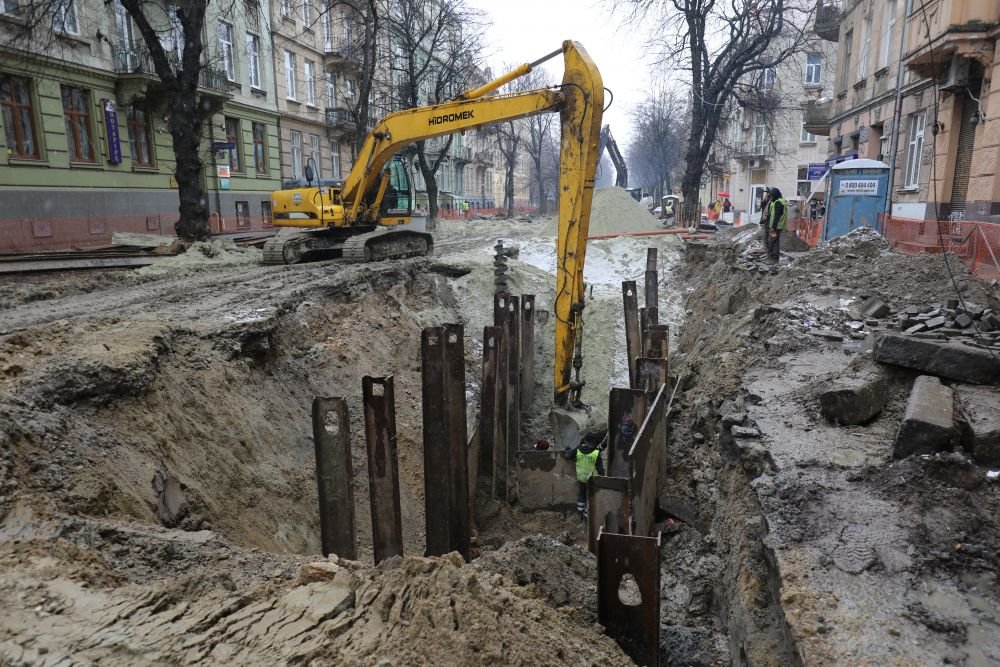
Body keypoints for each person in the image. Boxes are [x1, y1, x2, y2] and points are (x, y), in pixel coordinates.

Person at [563, 431, 606, 518]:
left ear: (585, 441)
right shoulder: (596, 453)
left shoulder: (578, 449)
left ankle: (580, 512)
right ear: (593, 442)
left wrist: (567, 449)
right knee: (591, 496)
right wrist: (603, 480)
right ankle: (587, 515)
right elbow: (600, 469)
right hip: (592, 479)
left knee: (582, 494)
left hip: (581, 478)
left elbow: (568, 455)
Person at [766, 186, 788, 262]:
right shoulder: (781, 201)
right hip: (780, 225)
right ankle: (774, 256)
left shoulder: (778, 202)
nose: (771, 197)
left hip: (776, 226)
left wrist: (773, 227)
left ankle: (772, 257)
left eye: (771, 195)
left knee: (772, 241)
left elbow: (777, 216)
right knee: (775, 241)